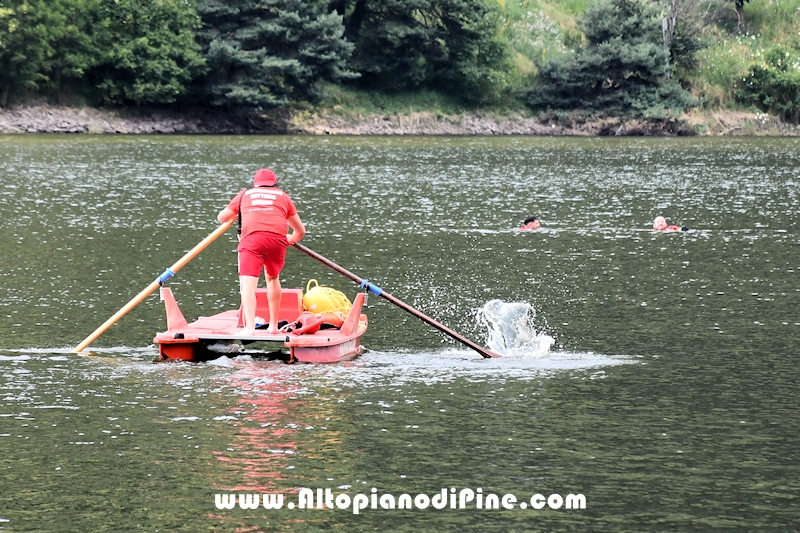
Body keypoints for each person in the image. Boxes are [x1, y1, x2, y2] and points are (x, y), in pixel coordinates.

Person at [217, 168, 305, 335]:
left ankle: (250, 327)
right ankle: (273, 326)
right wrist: (289, 239)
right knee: (272, 279)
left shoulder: (245, 194)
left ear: (255, 183)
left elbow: (221, 217)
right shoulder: (282, 196)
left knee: (248, 285)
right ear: (274, 184)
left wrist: (238, 214)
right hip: (277, 240)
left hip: (252, 240)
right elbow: (300, 231)